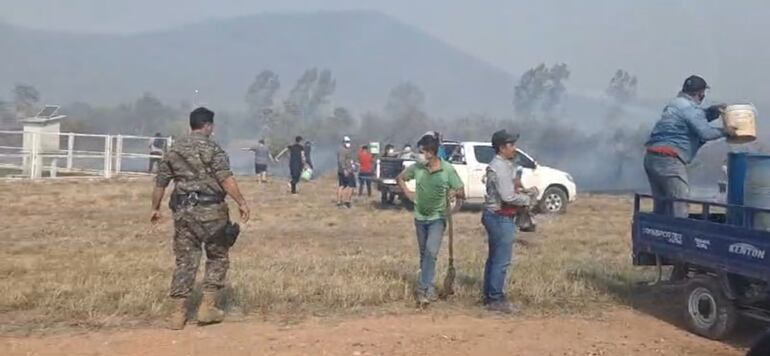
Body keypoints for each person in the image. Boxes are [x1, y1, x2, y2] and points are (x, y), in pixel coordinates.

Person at [150, 107, 250, 330]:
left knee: (185, 261)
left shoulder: (173, 150)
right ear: (208, 126)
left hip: (184, 213)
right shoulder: (213, 149)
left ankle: (178, 313)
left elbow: (160, 183)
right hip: (212, 211)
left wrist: (155, 208)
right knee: (217, 256)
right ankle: (207, 307)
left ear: (190, 125)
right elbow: (226, 179)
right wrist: (241, 202)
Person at [644, 75, 734, 218]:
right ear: (700, 93)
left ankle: (661, 233)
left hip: (652, 157)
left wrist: (711, 112)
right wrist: (726, 132)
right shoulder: (691, 109)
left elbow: (693, 118)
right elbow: (705, 133)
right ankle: (680, 235)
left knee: (662, 205)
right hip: (670, 160)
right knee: (680, 202)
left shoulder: (675, 104)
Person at [397, 133, 464, 307]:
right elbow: (401, 178)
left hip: (438, 218)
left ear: (431, 152)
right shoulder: (417, 168)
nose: (419, 155)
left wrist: (453, 193)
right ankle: (429, 288)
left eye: (422, 152)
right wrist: (408, 193)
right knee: (425, 255)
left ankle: (421, 289)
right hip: (420, 217)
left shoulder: (447, 170)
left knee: (431, 252)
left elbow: (461, 190)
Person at [481, 130, 534, 314]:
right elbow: (507, 196)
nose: (514, 148)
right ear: (502, 147)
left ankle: (489, 296)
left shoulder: (503, 165)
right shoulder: (500, 167)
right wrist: (526, 199)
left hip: (494, 215)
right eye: (511, 145)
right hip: (500, 216)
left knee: (494, 259)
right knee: (501, 260)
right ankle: (496, 299)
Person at [336, 136, 356, 207]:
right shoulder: (343, 150)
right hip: (346, 171)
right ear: (343, 142)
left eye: (349, 142)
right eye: (346, 142)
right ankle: (348, 201)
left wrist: (354, 164)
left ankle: (339, 202)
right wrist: (345, 169)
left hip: (342, 170)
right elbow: (341, 161)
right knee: (351, 186)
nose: (348, 143)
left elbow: (349, 160)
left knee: (341, 185)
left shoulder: (344, 150)